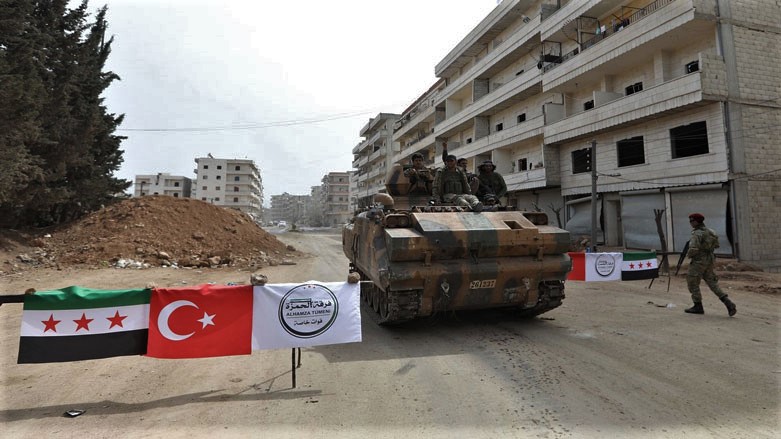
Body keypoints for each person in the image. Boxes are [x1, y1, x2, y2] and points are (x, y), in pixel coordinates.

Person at [684, 213, 737, 316]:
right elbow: (716, 245)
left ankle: (697, 305)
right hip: (709, 260)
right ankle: (728, 302)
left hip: (699, 261)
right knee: (712, 282)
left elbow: (693, 249)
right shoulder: (711, 232)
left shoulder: (697, 233)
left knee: (692, 281)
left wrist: (688, 255)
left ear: (696, 222)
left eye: (691, 221)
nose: (690, 223)